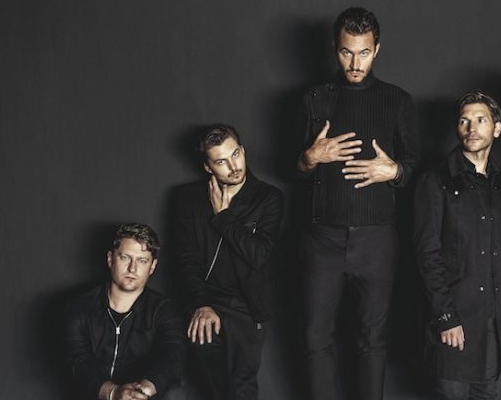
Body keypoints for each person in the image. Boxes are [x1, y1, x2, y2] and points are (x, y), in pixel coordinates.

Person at [295, 7, 419, 400]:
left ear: (376, 49)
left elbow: (416, 166)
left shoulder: (397, 100)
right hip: (323, 240)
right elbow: (292, 168)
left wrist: (395, 171)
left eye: (363, 53)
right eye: (346, 52)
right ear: (335, 48)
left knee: (372, 340)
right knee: (315, 338)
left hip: (377, 239)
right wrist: (311, 157)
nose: (354, 63)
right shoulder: (314, 99)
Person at [413, 92, 501, 400]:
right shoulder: (435, 179)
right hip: (455, 320)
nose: (471, 128)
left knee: (486, 394)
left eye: (480, 120)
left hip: (494, 320)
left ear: (497, 128)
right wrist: (445, 317)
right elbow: (427, 254)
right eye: (464, 121)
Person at [174, 124, 283, 400]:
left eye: (235, 154)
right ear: (208, 167)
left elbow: (258, 255)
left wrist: (223, 218)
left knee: (240, 386)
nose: (234, 167)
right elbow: (187, 258)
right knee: (214, 388)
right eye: (221, 161)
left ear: (243, 150)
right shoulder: (188, 199)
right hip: (208, 301)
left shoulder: (268, 197)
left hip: (247, 306)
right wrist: (201, 303)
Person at [64, 223, 185, 400]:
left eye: (142, 261)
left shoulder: (165, 309)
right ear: (110, 259)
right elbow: (77, 361)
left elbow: (173, 355)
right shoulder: (79, 307)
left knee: (176, 393)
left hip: (144, 396)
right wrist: (113, 393)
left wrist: (144, 389)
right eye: (125, 258)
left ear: (152, 266)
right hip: (96, 395)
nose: (132, 268)